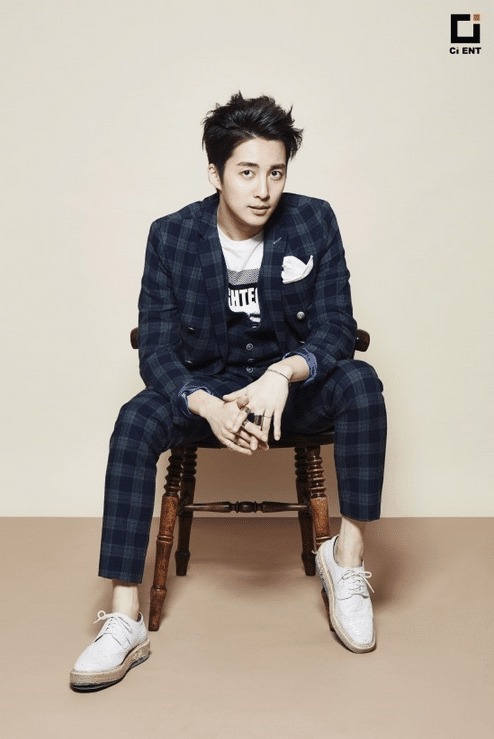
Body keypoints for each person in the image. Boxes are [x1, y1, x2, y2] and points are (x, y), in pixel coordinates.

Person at [70, 93, 386, 691]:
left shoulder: (314, 220)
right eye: (246, 172)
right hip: (206, 390)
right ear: (215, 173)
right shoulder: (171, 236)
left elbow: (337, 326)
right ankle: (125, 617)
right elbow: (155, 347)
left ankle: (345, 561)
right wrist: (206, 404)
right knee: (134, 420)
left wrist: (282, 375)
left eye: (276, 172)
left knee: (361, 381)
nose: (263, 190)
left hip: (286, 390)